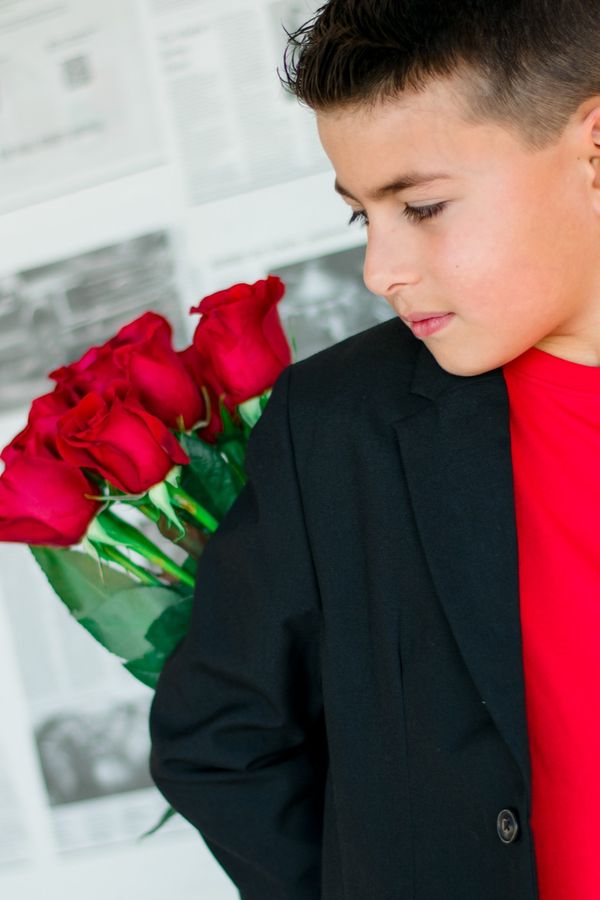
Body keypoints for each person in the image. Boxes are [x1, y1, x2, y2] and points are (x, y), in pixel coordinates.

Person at [148, 2, 600, 897]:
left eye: (422, 206)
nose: (378, 269)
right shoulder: (336, 427)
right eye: (363, 216)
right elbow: (219, 739)